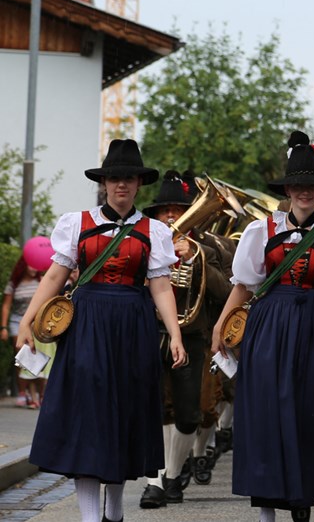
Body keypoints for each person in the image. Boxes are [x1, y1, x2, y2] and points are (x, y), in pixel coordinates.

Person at [16, 138, 187, 522]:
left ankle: (115, 505)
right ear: (104, 183)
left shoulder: (154, 231)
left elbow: (160, 286)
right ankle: (92, 518)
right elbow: (55, 276)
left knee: (124, 415)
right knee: (88, 417)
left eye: (128, 178)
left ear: (138, 183)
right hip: (87, 326)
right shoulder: (76, 223)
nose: (120, 185)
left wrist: (174, 334)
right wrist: (27, 321)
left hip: (134, 327)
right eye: (114, 178)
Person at [212, 131, 314, 522]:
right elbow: (245, 285)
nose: (304, 192)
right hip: (268, 329)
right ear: (288, 188)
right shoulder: (260, 230)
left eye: (312, 185)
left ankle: (301, 497)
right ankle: (266, 511)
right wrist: (221, 326)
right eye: (298, 185)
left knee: (306, 412)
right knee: (264, 413)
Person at [139, 170, 233, 508]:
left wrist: (197, 259)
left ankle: (173, 474)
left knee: (190, 413)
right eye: (165, 210)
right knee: (154, 407)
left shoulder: (209, 246)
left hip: (193, 335)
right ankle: (155, 481)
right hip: (151, 331)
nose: (171, 216)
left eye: (178, 209)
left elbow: (226, 293)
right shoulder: (144, 242)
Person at [3, 254, 52, 409]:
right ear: (23, 266)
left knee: (36, 357)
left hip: (36, 323)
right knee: (22, 357)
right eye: (30, 265)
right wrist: (3, 327)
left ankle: (38, 393)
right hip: (17, 321)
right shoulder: (14, 284)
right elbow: (6, 305)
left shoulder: (42, 281)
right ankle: (24, 393)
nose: (33, 268)